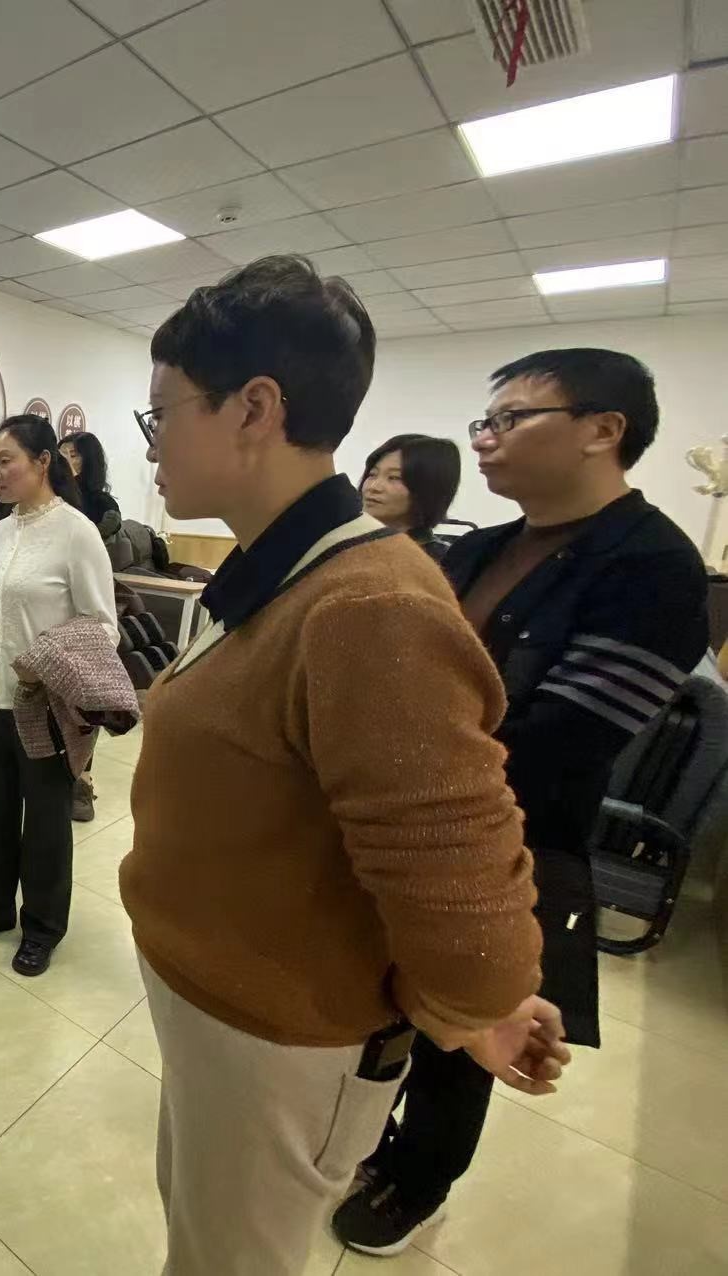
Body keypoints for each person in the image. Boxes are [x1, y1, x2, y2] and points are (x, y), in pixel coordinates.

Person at [121, 255, 568, 1276]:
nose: (150, 444)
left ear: (254, 408)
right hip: (218, 1003)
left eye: (162, 414)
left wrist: (473, 1004)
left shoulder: (368, 604)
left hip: (279, 1039)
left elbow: (462, 883)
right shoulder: (274, 569)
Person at [334, 349, 708, 1256]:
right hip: (404, 820)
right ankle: (369, 1142)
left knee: (465, 1026)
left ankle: (419, 1180)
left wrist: (400, 761)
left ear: (602, 430)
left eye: (510, 419)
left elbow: (559, 743)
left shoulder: (654, 568)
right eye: (484, 421)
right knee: (390, 1001)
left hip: (513, 842)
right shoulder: (480, 548)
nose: (486, 440)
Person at [0, 415, 117, 977]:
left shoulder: (77, 533)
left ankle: (42, 927)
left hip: (43, 706)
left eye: (6, 461)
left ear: (43, 462)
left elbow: (102, 627)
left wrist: (45, 660)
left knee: (45, 821)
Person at [59, 431, 122, 822]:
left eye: (74, 454)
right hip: (51, 611)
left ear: (89, 461)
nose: (66, 460)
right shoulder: (48, 498)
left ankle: (82, 780)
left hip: (88, 609)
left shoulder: (102, 505)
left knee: (83, 701)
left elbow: (98, 544)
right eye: (61, 453)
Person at [358, 433, 461, 561]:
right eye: (372, 474)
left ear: (430, 488)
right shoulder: (351, 545)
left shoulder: (440, 562)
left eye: (394, 477)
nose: (373, 487)